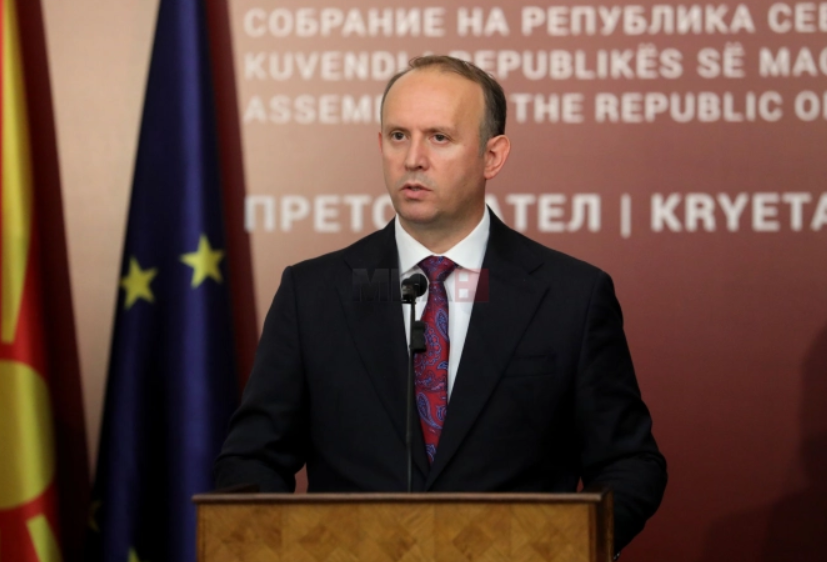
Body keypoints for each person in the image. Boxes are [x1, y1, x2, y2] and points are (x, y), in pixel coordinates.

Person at [215, 55, 667, 553]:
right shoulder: (314, 294)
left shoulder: (570, 296)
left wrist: (561, 548)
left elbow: (629, 464)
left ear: (492, 156)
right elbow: (253, 460)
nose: (413, 158)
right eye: (398, 136)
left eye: (439, 137)